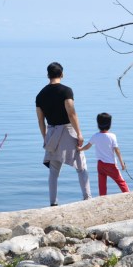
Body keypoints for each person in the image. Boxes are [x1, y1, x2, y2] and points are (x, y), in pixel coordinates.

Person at [36, 62, 91, 206]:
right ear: (62, 74)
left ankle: (53, 203)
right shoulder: (66, 91)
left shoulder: (40, 95)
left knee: (54, 171)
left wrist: (45, 138)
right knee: (81, 166)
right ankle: (87, 198)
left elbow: (40, 120)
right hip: (68, 130)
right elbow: (71, 113)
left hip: (52, 131)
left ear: (48, 75)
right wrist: (79, 133)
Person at [79, 112, 129, 196]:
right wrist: (122, 163)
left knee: (102, 184)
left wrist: (80, 149)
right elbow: (117, 151)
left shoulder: (95, 136)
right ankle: (128, 194)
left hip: (100, 164)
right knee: (121, 181)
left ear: (98, 124)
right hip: (111, 165)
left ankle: (102, 197)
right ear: (109, 124)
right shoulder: (112, 136)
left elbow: (87, 146)